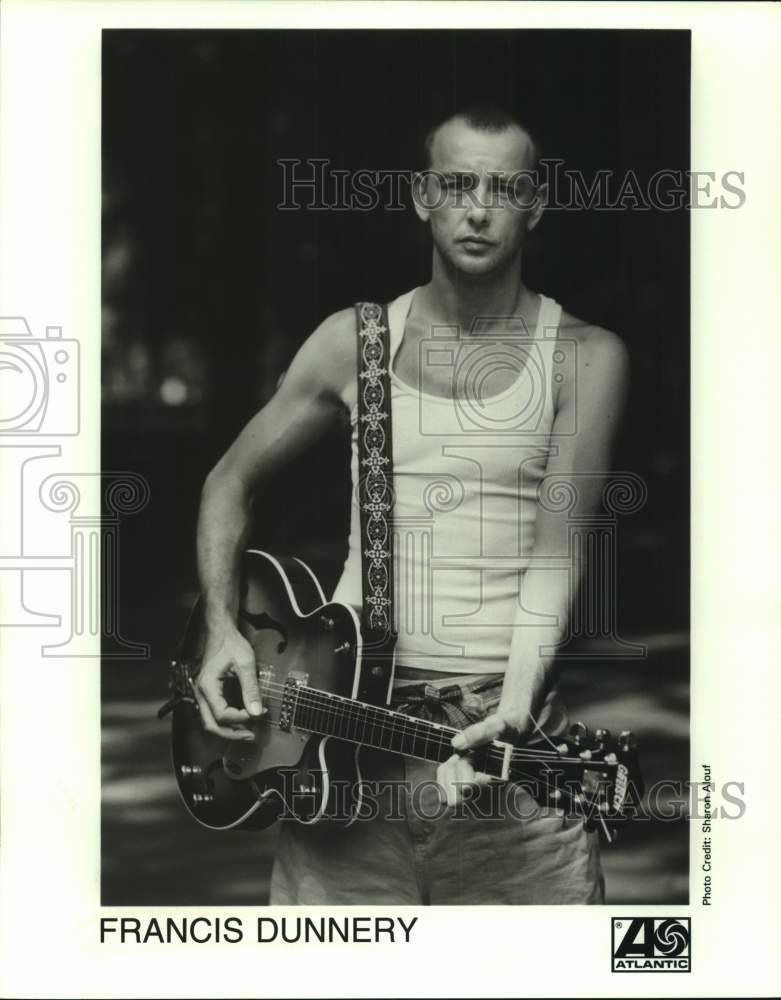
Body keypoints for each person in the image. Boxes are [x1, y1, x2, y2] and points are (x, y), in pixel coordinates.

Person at [194, 104, 629, 904]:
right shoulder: (352, 344)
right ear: (421, 195)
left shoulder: (583, 358)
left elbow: (556, 551)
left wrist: (516, 704)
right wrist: (223, 630)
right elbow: (227, 481)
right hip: (336, 742)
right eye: (456, 182)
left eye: (503, 187)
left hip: (505, 744)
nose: (476, 206)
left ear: (535, 205)